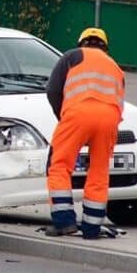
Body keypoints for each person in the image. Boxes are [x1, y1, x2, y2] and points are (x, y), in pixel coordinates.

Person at [44, 27, 125, 239]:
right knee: (99, 172)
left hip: (78, 112)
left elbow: (52, 89)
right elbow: (120, 101)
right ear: (105, 47)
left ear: (82, 42)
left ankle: (64, 222)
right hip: (109, 118)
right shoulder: (115, 67)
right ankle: (91, 228)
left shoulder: (72, 56)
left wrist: (63, 116)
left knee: (59, 165)